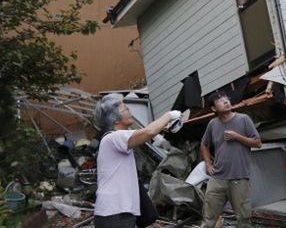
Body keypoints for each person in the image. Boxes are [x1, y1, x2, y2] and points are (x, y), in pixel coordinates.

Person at [93, 92, 182, 228]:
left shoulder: (116, 138)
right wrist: (169, 115)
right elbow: (148, 132)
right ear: (115, 120)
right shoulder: (113, 137)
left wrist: (157, 133)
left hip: (119, 211)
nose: (130, 111)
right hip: (114, 211)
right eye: (125, 109)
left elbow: (146, 133)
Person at [199, 91, 262, 228]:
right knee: (208, 218)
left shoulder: (243, 119)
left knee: (243, 220)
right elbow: (204, 144)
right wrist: (208, 164)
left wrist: (237, 136)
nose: (226, 101)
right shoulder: (212, 124)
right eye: (221, 101)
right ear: (214, 108)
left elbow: (257, 143)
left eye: (227, 99)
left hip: (239, 178)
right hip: (218, 178)